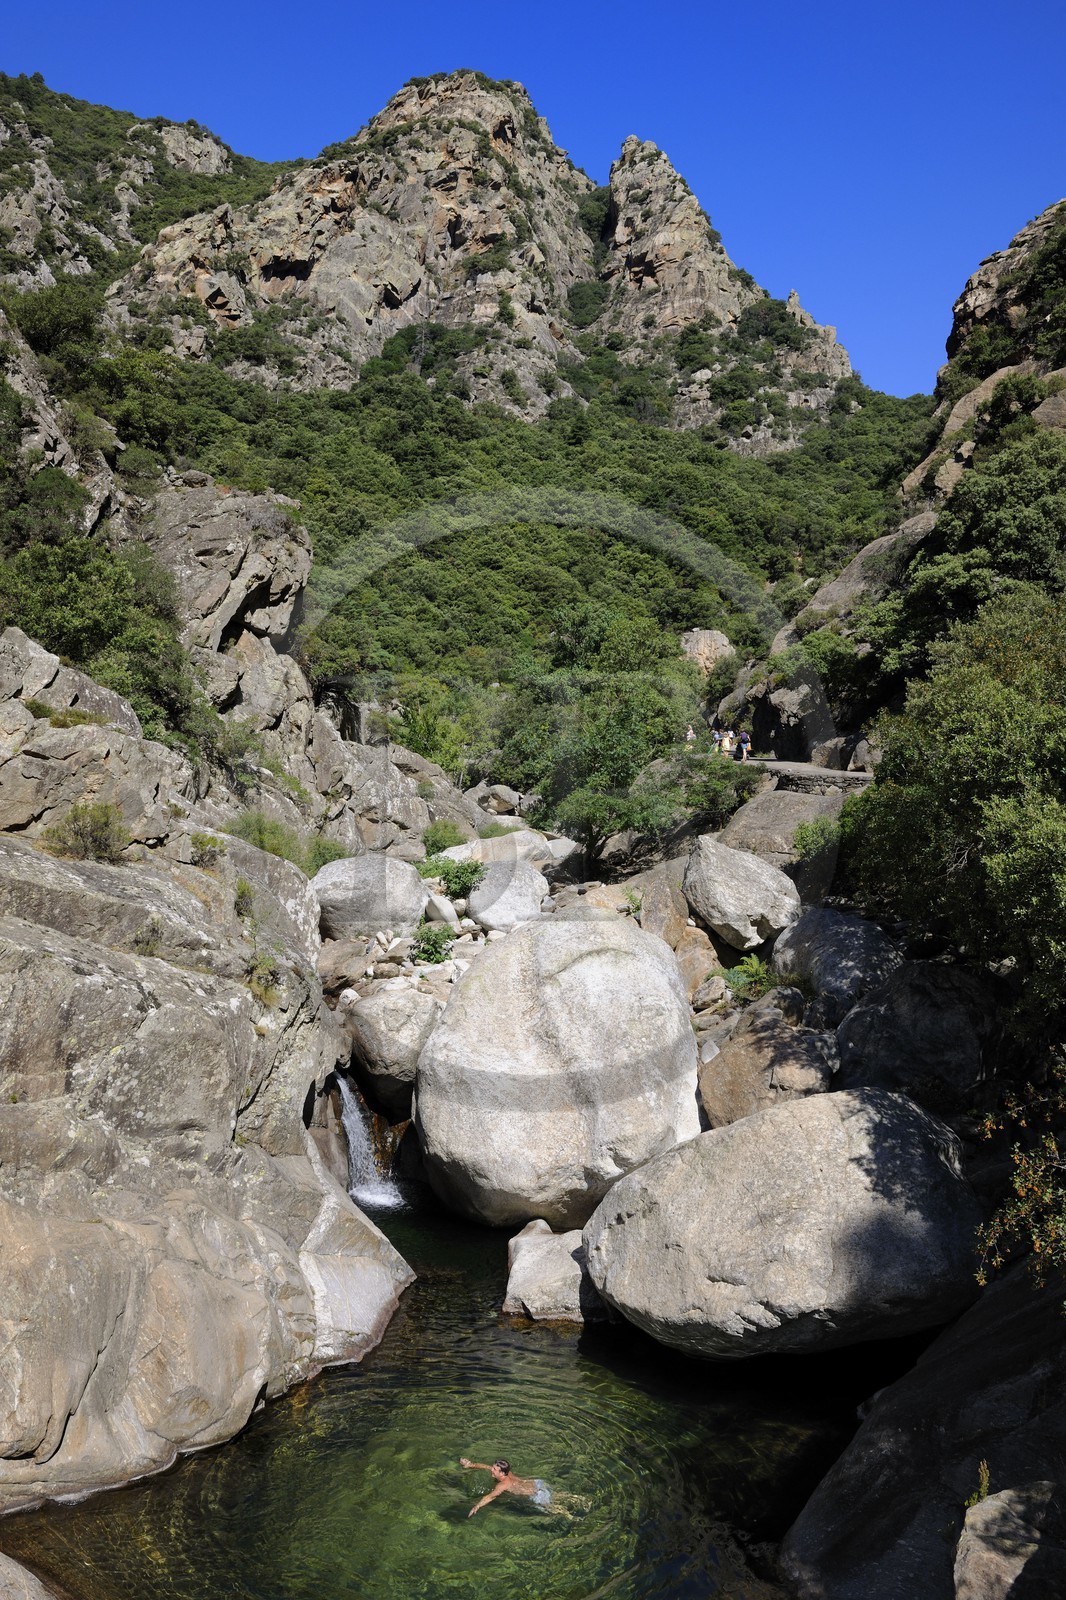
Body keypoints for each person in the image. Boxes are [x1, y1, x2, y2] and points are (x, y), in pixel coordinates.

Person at [460, 1457, 552, 1514]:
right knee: (558, 1497)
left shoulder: (503, 1485)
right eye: (493, 1467)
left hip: (538, 1495)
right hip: (538, 1483)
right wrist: (471, 1465)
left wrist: (477, 1506)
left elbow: (490, 1497)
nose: (491, 1469)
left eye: (494, 1469)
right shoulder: (507, 1472)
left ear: (502, 1473)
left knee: (555, 1510)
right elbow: (486, 1467)